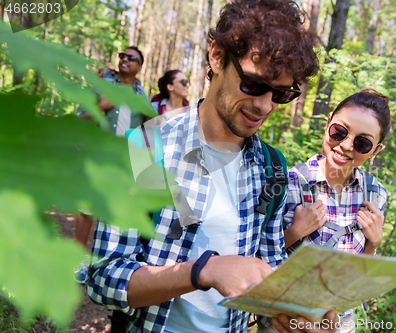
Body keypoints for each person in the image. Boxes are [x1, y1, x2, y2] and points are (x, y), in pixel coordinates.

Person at [86, 1, 340, 332]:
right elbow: (105, 278)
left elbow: (267, 270)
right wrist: (201, 272)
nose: (264, 105)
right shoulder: (147, 147)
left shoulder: (272, 168)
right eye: (253, 84)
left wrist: (293, 314)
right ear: (217, 56)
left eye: (280, 94)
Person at [278, 89, 391, 332]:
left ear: (376, 151)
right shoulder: (287, 183)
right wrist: (295, 232)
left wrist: (374, 243)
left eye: (362, 143)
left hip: (341, 322)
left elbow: (359, 274)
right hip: (285, 319)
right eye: (339, 131)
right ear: (327, 123)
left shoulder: (375, 193)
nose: (346, 145)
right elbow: (261, 259)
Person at [73, 46, 150, 283]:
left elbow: (148, 130)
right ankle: (76, 260)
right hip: (97, 156)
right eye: (122, 56)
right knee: (87, 209)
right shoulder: (101, 86)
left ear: (139, 66)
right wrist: (101, 107)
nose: (124, 60)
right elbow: (78, 117)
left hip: (123, 162)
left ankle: (98, 264)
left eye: (131, 58)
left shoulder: (141, 95)